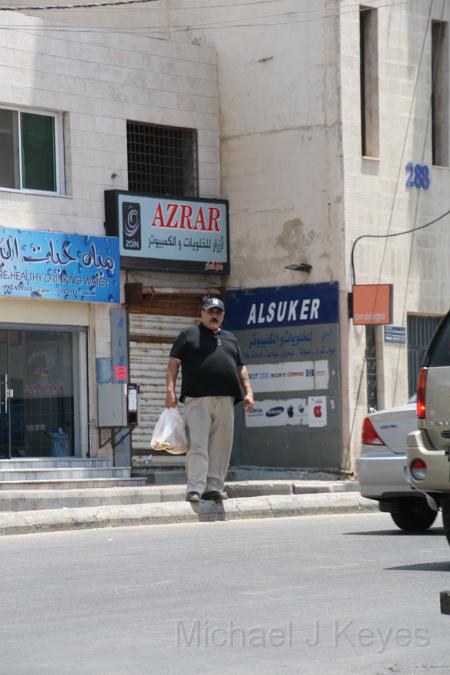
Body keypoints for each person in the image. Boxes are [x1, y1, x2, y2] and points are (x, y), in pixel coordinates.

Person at [165, 297, 254, 502]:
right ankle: (195, 488)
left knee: (221, 445)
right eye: (211, 311)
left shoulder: (231, 338)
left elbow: (241, 367)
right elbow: (173, 363)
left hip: (226, 399)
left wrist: (248, 391)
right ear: (202, 313)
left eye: (219, 312)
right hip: (197, 398)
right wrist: (169, 390)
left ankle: (213, 487)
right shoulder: (189, 335)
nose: (215, 315)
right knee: (198, 443)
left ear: (223, 315)